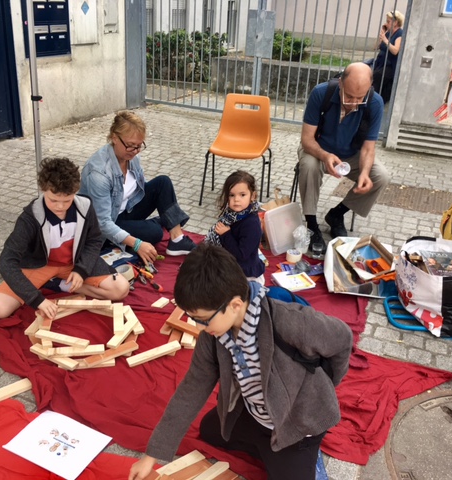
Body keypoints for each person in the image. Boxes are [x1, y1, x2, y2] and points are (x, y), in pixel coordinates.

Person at [128, 244, 353, 480]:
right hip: (255, 412)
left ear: (235, 305)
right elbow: (192, 388)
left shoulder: (289, 320)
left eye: (203, 319)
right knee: (210, 430)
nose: (198, 327)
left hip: (294, 421)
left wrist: (327, 384)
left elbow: (342, 338)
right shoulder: (213, 335)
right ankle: (266, 446)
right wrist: (152, 455)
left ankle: (305, 453)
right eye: (194, 319)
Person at [0, 157, 129, 319]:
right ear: (43, 189)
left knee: (121, 289)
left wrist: (81, 270)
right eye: (53, 200)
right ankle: (39, 282)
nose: (60, 207)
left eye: (67, 201)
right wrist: (38, 300)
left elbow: (94, 240)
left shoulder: (84, 206)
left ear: (75, 192)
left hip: (73, 263)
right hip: (40, 265)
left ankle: (57, 283)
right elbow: (5, 262)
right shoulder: (30, 217)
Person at [79, 110, 196, 265]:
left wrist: (158, 200)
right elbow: (102, 223)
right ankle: (159, 222)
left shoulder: (131, 156)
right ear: (114, 137)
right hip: (105, 225)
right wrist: (137, 244)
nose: (135, 151)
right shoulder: (99, 173)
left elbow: (141, 189)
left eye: (139, 146)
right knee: (154, 233)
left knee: (163, 182)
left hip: (126, 210)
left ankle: (177, 240)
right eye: (130, 146)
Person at [297, 62, 390, 252]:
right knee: (308, 165)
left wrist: (364, 173)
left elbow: (368, 149)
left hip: (351, 154)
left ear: (369, 89)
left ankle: (337, 214)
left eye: (359, 97)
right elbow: (306, 140)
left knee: (380, 176)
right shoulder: (321, 93)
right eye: (348, 96)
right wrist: (325, 155)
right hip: (318, 150)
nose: (353, 103)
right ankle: (312, 225)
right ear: (340, 83)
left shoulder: (375, 103)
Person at [204, 170, 265, 284]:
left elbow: (241, 254)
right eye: (232, 195)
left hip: (246, 275)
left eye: (242, 195)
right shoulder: (232, 215)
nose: (236, 199)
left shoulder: (251, 224)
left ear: (252, 196)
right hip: (231, 266)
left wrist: (225, 235)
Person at [372, 10, 404, 103]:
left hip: (390, 66)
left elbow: (395, 50)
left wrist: (386, 40)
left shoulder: (400, 34)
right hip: (380, 63)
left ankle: (373, 100)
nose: (386, 23)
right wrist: (382, 35)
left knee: (377, 78)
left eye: (388, 21)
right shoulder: (387, 33)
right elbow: (375, 47)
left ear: (396, 22)